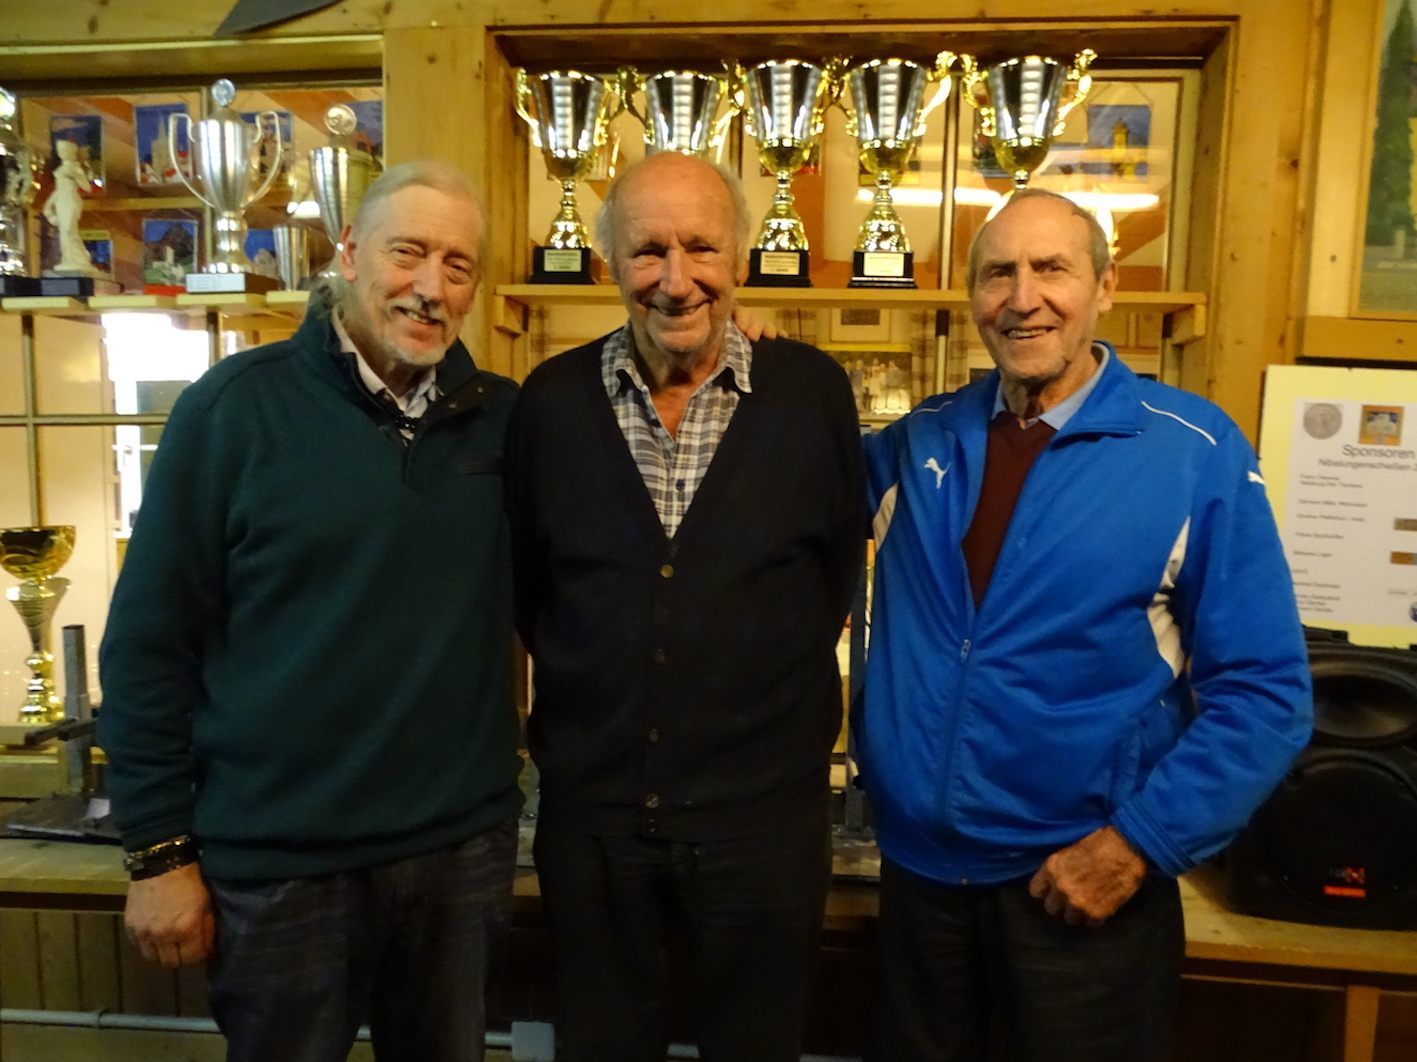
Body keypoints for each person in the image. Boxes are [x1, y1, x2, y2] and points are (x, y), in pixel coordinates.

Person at [859, 189, 1314, 1062]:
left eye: (1051, 269)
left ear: (1104, 288)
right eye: (998, 273)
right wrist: (747, 351)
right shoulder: (919, 444)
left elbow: (1264, 693)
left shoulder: (1191, 453)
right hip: (920, 885)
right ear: (971, 299)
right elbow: (781, 498)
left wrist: (1140, 844)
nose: (1022, 297)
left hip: (1080, 892)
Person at [98, 160, 524, 1062]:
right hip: (282, 865)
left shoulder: (502, 422)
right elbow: (145, 648)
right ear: (348, 253)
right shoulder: (233, 412)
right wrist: (158, 854)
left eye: (457, 266)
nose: (429, 285)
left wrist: (734, 333)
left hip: (455, 855)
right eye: (407, 252)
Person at [506, 151, 864, 1062]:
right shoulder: (548, 403)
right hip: (594, 830)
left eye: (701, 247)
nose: (676, 280)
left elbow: (831, 580)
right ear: (607, 265)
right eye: (646, 251)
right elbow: (528, 590)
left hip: (762, 829)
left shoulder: (811, 392)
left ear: (740, 257)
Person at [43, 137, 98, 275]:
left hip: (71, 199)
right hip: (60, 199)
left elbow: (87, 187)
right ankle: (69, 259)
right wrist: (49, 204)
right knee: (64, 232)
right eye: (60, 150)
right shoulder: (61, 168)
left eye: (64, 150)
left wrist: (77, 176)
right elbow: (58, 189)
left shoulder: (75, 168)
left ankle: (80, 258)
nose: (61, 153)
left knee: (68, 230)